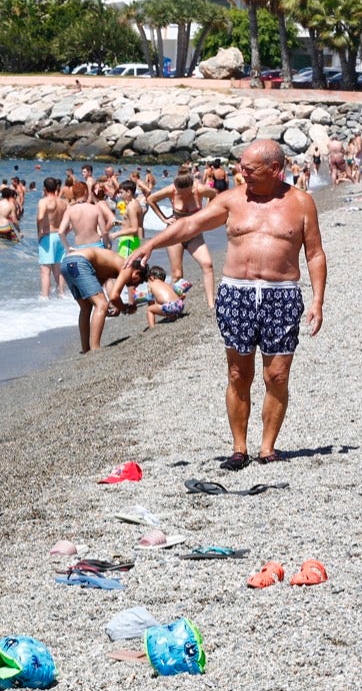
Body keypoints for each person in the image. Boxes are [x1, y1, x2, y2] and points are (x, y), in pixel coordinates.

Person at [130, 140, 326, 470]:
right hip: (237, 294)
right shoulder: (232, 200)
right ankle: (239, 448)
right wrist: (151, 244)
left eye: (249, 169)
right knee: (238, 374)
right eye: (241, 167)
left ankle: (267, 447)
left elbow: (315, 253)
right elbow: (190, 224)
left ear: (274, 170)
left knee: (277, 376)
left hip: (281, 295)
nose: (242, 173)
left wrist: (318, 300)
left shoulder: (301, 202)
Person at [146, 173, 218, 309]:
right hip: (175, 236)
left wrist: (206, 212)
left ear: (192, 187)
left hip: (194, 234)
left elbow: (214, 194)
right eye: (180, 192)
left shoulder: (199, 189)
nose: (183, 195)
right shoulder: (170, 190)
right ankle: (175, 306)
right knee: (177, 274)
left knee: (207, 264)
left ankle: (211, 304)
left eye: (187, 192)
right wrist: (164, 218)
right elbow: (150, 199)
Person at [59, 246, 128, 353]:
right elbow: (114, 296)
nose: (134, 283)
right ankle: (95, 349)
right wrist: (123, 307)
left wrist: (114, 304)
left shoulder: (110, 264)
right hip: (80, 261)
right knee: (102, 304)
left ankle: (86, 349)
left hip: (66, 262)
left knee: (86, 307)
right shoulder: (128, 267)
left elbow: (99, 283)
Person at [35, 178, 67, 298]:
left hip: (48, 236)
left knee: (45, 270)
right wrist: (64, 232)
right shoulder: (63, 202)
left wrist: (40, 232)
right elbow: (69, 222)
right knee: (59, 270)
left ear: (44, 189)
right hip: (60, 236)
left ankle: (45, 298)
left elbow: (40, 217)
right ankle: (62, 294)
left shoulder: (43, 201)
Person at [109, 183, 143, 257]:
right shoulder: (134, 203)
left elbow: (134, 229)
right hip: (129, 240)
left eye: (121, 193)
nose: (120, 195)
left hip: (129, 241)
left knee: (124, 263)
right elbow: (132, 222)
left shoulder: (131, 206)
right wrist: (121, 223)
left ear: (128, 192)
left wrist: (115, 234)